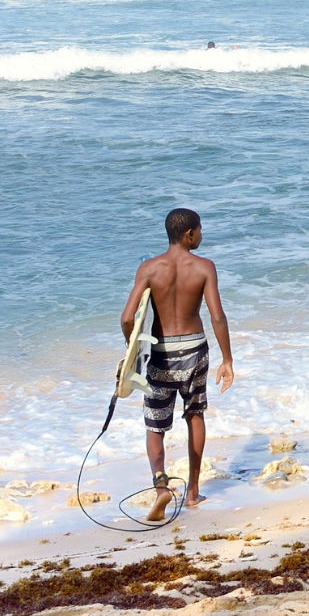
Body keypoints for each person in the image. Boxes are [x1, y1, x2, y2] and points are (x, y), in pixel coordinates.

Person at [121, 207, 235, 518]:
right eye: (200, 230)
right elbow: (217, 316)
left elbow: (128, 318)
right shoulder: (204, 267)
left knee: (155, 426)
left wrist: (131, 354)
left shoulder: (148, 268)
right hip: (195, 352)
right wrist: (227, 359)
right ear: (188, 234)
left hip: (160, 356)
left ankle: (161, 487)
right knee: (195, 415)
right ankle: (194, 492)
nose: (202, 235)